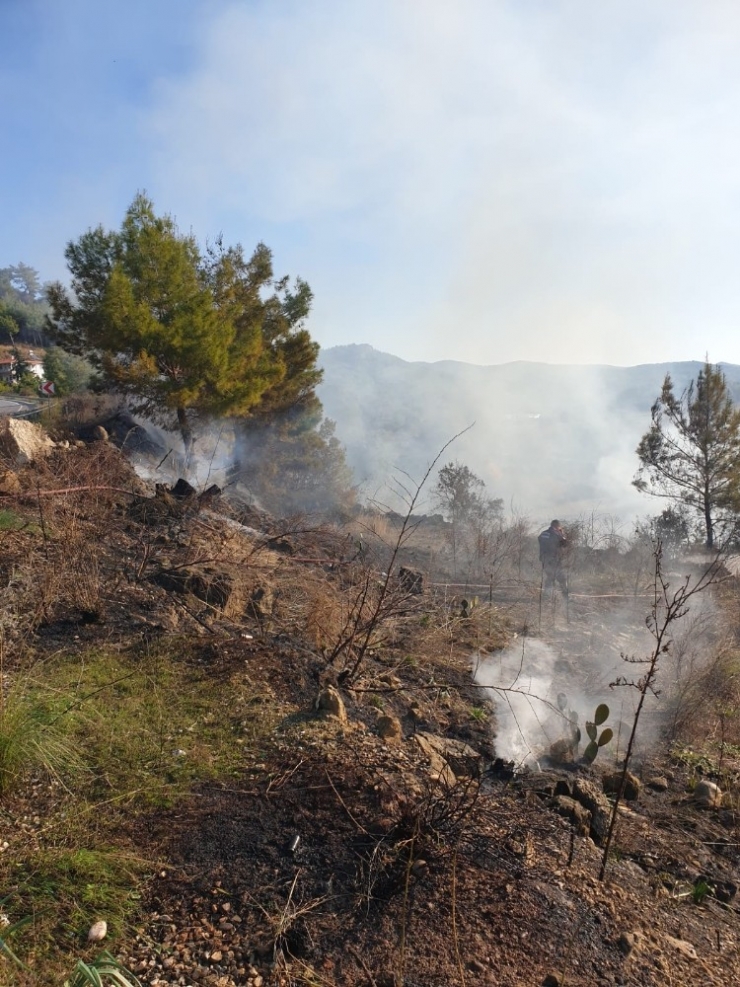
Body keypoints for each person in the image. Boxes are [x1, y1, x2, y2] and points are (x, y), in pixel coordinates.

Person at [538, 519, 568, 598]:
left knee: (550, 576)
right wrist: (562, 534)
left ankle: (547, 595)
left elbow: (540, 540)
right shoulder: (556, 533)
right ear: (557, 526)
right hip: (554, 559)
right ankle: (565, 595)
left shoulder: (543, 533)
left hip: (544, 559)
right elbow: (564, 544)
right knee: (562, 577)